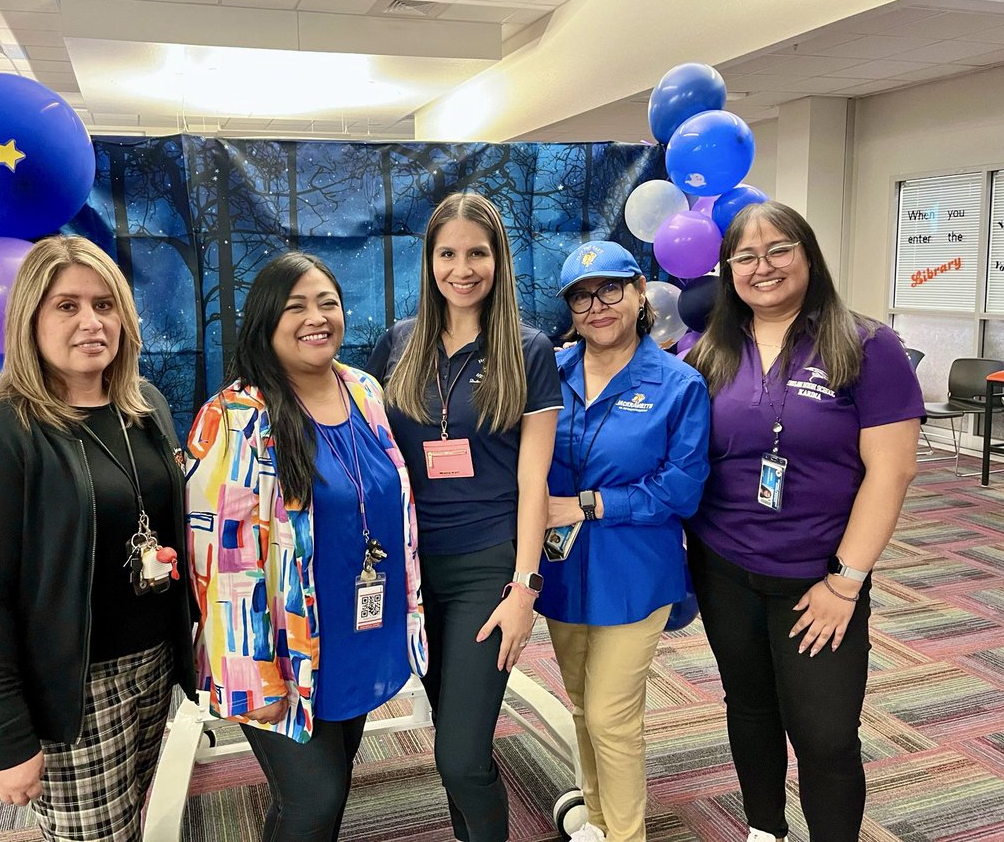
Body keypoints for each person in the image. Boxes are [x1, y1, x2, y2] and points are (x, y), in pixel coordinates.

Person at [0, 235, 196, 841]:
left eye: (105, 305)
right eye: (67, 306)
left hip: (154, 664)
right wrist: (7, 739)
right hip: (70, 687)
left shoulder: (146, 406)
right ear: (31, 318)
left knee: (128, 821)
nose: (91, 322)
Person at [685, 201, 922, 842]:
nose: (763, 267)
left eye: (779, 249)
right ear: (727, 269)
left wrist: (846, 582)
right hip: (723, 566)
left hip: (819, 576)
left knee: (824, 734)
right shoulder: (705, 350)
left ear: (808, 255)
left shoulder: (866, 345)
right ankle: (765, 829)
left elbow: (892, 471)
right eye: (746, 256)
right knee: (751, 709)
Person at [186, 251, 427, 840]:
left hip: (352, 633)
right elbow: (224, 561)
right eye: (295, 307)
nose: (316, 318)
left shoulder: (364, 389)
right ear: (265, 321)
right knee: (314, 799)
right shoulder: (239, 416)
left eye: (327, 303)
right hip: (281, 650)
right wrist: (253, 674)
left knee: (326, 788)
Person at [366, 191, 561, 842]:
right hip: (415, 572)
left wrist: (524, 586)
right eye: (447, 253)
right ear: (430, 261)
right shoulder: (398, 344)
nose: (462, 268)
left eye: (477, 253)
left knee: (459, 752)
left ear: (499, 260)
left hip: (488, 567)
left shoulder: (528, 350)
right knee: (452, 732)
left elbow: (535, 479)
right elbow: (375, 457)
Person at [538, 241, 710, 842]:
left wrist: (589, 504)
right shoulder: (548, 375)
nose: (597, 305)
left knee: (612, 716)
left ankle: (626, 835)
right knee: (583, 705)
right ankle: (599, 818)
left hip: (634, 573)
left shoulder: (677, 384)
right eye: (582, 296)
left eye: (611, 289)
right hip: (560, 571)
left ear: (641, 292)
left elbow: (681, 490)